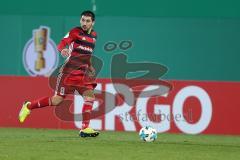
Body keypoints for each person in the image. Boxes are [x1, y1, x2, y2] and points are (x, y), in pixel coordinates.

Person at [18, 10, 99, 137]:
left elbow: (87, 54)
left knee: (90, 97)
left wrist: (90, 66)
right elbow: (62, 42)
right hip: (69, 73)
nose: (84, 23)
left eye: (87, 21)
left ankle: (85, 128)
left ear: (92, 23)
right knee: (57, 101)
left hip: (82, 75)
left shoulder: (94, 36)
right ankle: (28, 106)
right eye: (83, 20)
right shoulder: (75, 32)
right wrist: (62, 50)